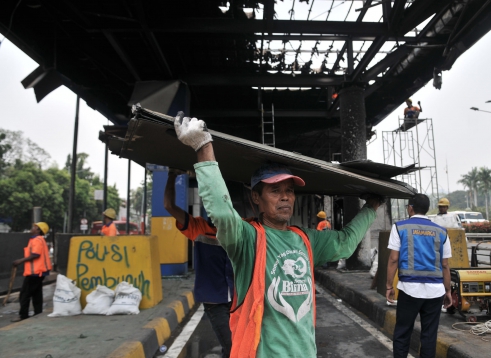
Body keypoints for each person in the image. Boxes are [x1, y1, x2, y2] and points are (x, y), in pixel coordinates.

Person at [173, 114, 381, 358]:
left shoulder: (306, 239)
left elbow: (345, 244)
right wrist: (203, 147)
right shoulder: (246, 238)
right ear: (256, 198)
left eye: (289, 191)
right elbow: (222, 212)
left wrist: (371, 207)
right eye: (275, 190)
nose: (285, 197)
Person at [164, 171, 233, 358]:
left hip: (238, 299)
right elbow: (169, 205)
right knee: (233, 347)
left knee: (238, 347)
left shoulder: (239, 228)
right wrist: (171, 176)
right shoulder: (199, 228)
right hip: (214, 300)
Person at [386, 194, 452, 358]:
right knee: (429, 336)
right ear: (428, 209)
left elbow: (393, 259)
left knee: (403, 332)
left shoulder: (400, 227)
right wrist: (448, 290)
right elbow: (445, 265)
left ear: (410, 208)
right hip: (435, 291)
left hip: (409, 289)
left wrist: (389, 286)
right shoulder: (441, 232)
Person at [11, 222, 53, 322]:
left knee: (24, 294)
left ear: (39, 230)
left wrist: (20, 261)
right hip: (40, 272)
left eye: (34, 227)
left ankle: (23, 315)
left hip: (35, 272)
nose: (32, 228)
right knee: (36, 294)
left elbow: (35, 254)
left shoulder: (37, 240)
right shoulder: (40, 240)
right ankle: (38, 313)